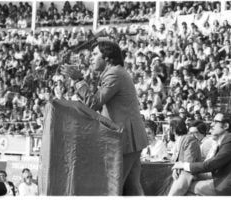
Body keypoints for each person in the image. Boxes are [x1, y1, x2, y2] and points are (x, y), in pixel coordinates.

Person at [63, 39, 148, 195]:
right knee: (132, 189)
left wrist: (78, 80)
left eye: (95, 54)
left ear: (107, 57)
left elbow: (93, 102)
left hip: (125, 139)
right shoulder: (116, 72)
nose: (91, 58)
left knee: (112, 188)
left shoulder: (114, 73)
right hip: (131, 139)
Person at [172, 113, 231, 195]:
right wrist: (186, 169)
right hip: (221, 181)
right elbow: (212, 166)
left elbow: (211, 165)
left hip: (226, 187)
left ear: (226, 126)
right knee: (185, 178)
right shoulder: (227, 140)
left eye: (215, 122)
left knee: (185, 186)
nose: (211, 124)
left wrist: (184, 165)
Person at [168, 117, 201, 196]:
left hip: (189, 173)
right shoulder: (178, 141)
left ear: (173, 129)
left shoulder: (189, 139)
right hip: (180, 172)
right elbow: (175, 160)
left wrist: (177, 167)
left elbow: (189, 162)